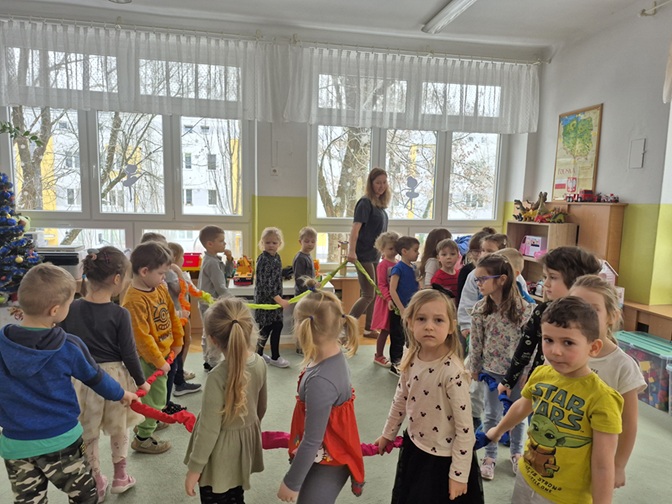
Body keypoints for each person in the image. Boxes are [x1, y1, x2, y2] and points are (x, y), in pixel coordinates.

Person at [0, 263, 137, 504]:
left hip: (15, 445)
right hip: (62, 442)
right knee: (84, 495)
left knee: (28, 500)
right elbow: (96, 378)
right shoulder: (68, 346)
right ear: (55, 310)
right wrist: (122, 394)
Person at [485, 297, 623, 504]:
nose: (555, 351)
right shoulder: (541, 374)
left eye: (568, 342)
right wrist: (498, 431)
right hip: (527, 477)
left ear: (593, 348)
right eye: (548, 340)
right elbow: (522, 407)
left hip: (567, 497)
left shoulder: (603, 399)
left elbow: (603, 465)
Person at [375, 289, 484, 504]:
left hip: (444, 459)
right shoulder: (411, 358)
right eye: (421, 319)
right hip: (416, 447)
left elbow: (465, 429)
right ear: (409, 323)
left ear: (451, 326)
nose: (429, 326)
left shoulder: (453, 372)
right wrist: (388, 433)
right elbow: (400, 399)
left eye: (438, 320)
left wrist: (459, 475)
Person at [61, 247, 148, 500]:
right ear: (117, 279)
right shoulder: (120, 313)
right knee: (119, 427)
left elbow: (62, 344)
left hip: (81, 379)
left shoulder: (70, 308)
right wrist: (141, 382)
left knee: (88, 433)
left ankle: (96, 480)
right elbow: (129, 353)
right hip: (114, 381)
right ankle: (121, 476)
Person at [277, 279, 363, 504]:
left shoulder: (321, 381)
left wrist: (291, 482)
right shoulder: (330, 356)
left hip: (330, 459)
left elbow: (312, 440)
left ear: (303, 328)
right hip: (324, 452)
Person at [184, 297, 267, 504]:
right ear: (249, 329)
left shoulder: (217, 377)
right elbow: (261, 408)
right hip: (242, 448)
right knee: (236, 495)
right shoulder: (260, 363)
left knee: (216, 497)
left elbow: (209, 429)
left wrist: (195, 468)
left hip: (218, 454)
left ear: (213, 340)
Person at [570, 275, 646, 489]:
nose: (582, 317)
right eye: (575, 308)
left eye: (592, 310)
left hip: (596, 458)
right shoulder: (561, 352)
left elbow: (629, 423)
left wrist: (619, 465)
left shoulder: (622, 366)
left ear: (612, 316)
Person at [498, 246, 602, 397]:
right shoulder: (543, 310)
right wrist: (509, 380)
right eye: (545, 277)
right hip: (541, 384)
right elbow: (525, 347)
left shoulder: (591, 317)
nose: (545, 284)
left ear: (575, 280)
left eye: (552, 277)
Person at [468, 254, 533, 481]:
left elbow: (531, 344)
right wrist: (475, 367)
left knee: (518, 415)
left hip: (517, 375)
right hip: (491, 372)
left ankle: (517, 453)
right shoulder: (480, 309)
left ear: (502, 279)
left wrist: (527, 371)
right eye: (477, 279)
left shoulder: (525, 310)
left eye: (483, 279)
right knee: (491, 415)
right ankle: (490, 456)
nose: (479, 284)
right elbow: (476, 342)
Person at [122, 241, 184, 454]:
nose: (163, 278)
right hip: (148, 360)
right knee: (154, 400)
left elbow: (172, 315)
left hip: (164, 354)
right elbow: (142, 338)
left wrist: (178, 341)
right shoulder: (133, 301)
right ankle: (143, 437)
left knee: (158, 396)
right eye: (161, 273)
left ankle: (151, 421)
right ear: (144, 271)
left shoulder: (159, 288)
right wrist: (158, 361)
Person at [457, 232, 509, 429]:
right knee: (474, 380)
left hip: (503, 347)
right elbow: (466, 303)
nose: (484, 255)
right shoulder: (474, 276)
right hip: (477, 338)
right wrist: (465, 327)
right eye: (482, 250)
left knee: (500, 387)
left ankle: (502, 423)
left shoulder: (513, 278)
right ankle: (472, 416)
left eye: (490, 251)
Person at [347, 167, 390, 338]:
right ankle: (345, 328)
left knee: (375, 292)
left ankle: (369, 328)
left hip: (375, 255)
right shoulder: (365, 203)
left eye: (384, 182)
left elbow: (380, 233)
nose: (381, 186)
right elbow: (355, 229)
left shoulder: (380, 205)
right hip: (363, 254)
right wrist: (351, 251)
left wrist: (384, 252)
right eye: (378, 182)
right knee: (368, 294)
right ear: (371, 184)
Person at [165, 242, 202, 397]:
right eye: (182, 257)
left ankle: (179, 372)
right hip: (177, 316)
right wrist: (180, 273)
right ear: (174, 257)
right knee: (178, 347)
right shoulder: (170, 272)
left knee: (185, 342)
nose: (183, 260)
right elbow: (180, 290)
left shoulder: (170, 271)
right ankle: (178, 380)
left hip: (181, 314)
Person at [197, 225, 236, 372]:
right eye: (221, 241)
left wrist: (230, 260)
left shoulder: (213, 260)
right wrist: (234, 302)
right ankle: (213, 363)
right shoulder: (212, 263)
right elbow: (220, 287)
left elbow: (228, 275)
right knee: (214, 334)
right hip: (210, 305)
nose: (224, 243)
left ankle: (208, 360)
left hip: (208, 303)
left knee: (207, 332)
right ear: (210, 244)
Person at [255, 227, 291, 368]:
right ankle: (272, 357)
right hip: (266, 302)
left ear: (279, 244)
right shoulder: (263, 259)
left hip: (275, 301)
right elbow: (266, 284)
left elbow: (274, 276)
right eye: (267, 242)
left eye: (274, 243)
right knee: (266, 329)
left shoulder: (276, 257)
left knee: (274, 326)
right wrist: (280, 300)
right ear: (262, 243)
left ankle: (261, 354)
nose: (271, 245)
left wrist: (283, 273)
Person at [388, 236, 421, 376]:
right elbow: (392, 290)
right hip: (399, 310)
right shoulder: (398, 268)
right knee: (398, 337)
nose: (418, 253)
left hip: (412, 309)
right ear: (404, 251)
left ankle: (408, 361)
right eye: (415, 250)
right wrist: (401, 309)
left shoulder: (413, 268)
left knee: (411, 336)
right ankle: (395, 364)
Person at [370, 231, 399, 368]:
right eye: (390, 248)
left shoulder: (398, 263)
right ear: (382, 249)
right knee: (385, 330)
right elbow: (381, 284)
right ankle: (379, 355)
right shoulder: (383, 265)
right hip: (386, 301)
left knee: (396, 329)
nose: (393, 251)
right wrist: (388, 299)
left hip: (396, 301)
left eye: (395, 248)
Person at [293, 227, 317, 356]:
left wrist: (314, 283)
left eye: (313, 241)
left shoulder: (308, 256)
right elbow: (300, 279)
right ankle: (300, 347)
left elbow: (309, 276)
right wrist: (310, 287)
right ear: (300, 242)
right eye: (307, 241)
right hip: (302, 295)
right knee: (302, 321)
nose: (310, 244)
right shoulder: (300, 258)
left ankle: (307, 345)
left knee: (308, 320)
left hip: (309, 294)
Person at [456, 227, 496, 305]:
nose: (481, 255)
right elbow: (464, 303)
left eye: (485, 251)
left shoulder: (502, 271)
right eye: (476, 251)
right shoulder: (467, 272)